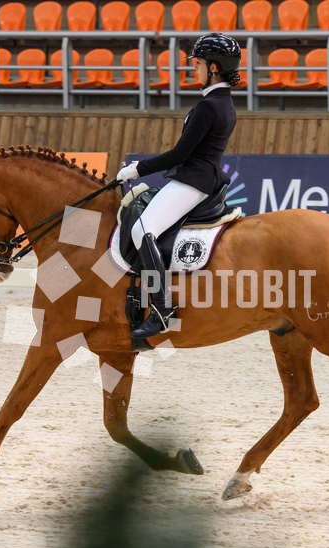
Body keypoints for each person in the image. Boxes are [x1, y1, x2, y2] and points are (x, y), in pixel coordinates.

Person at [115, 32, 240, 339]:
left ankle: (161, 309)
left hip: (194, 181)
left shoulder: (209, 106)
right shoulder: (221, 102)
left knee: (142, 230)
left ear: (213, 67)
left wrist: (137, 170)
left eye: (197, 64)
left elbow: (180, 154)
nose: (193, 69)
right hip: (198, 177)